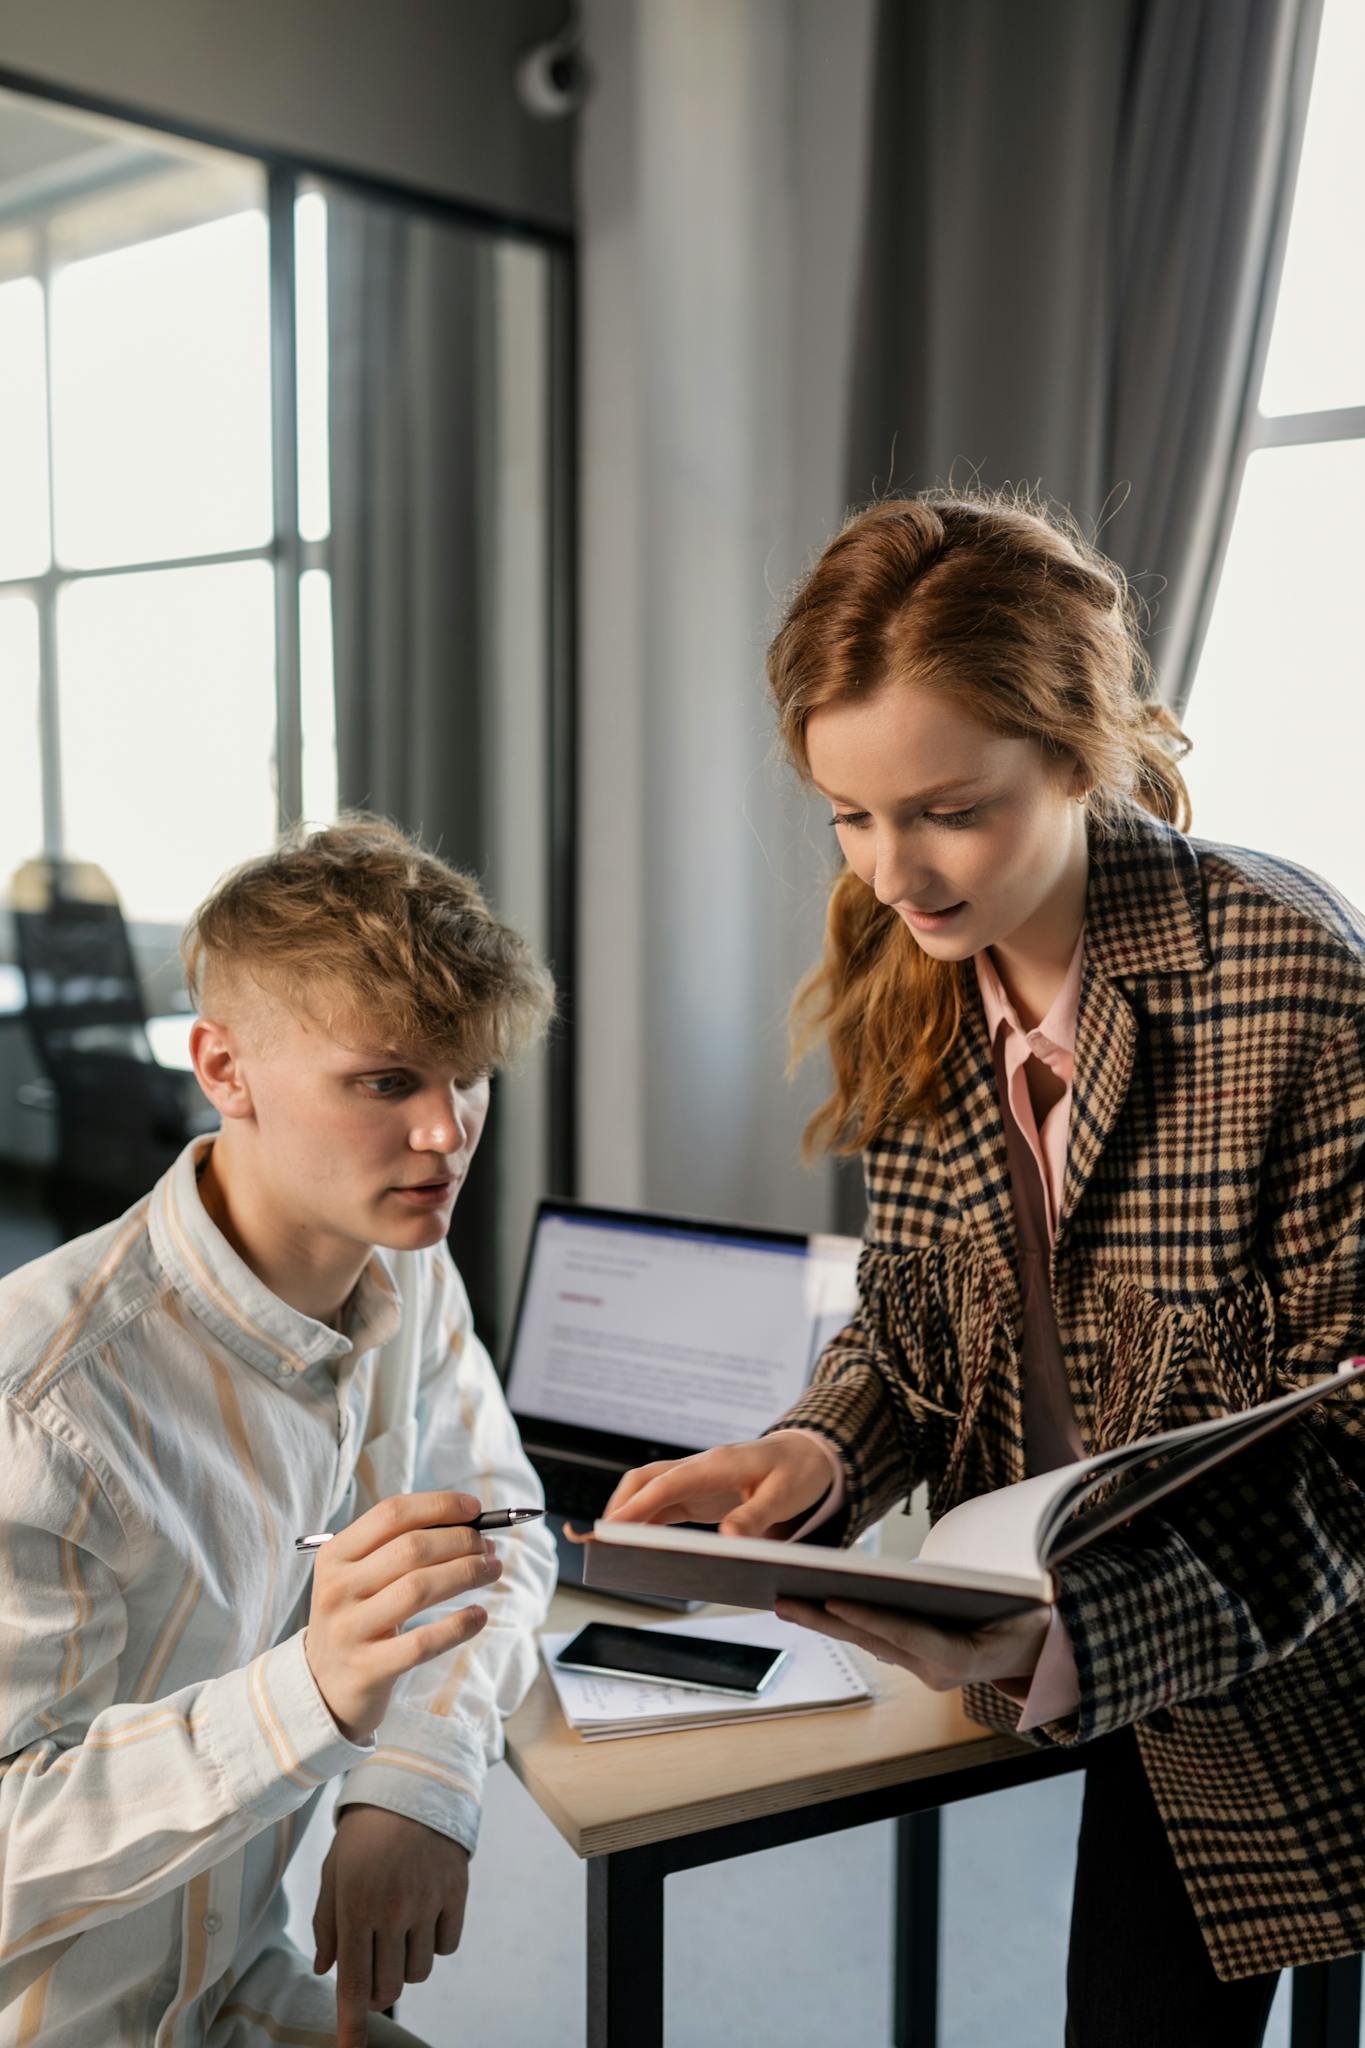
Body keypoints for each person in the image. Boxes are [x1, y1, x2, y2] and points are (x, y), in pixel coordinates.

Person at [604, 490, 1365, 2046]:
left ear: (1078, 753)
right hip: (1036, 1612)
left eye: (949, 809)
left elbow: (1352, 1460)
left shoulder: (1294, 984)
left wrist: (1076, 1637)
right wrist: (807, 1451)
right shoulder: (920, 964)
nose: (894, 869)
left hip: (1280, 1665)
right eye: (850, 813)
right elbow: (910, 1329)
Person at [0, 817, 559, 2048]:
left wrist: (418, 1772)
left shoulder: (404, 1268)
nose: (448, 1133)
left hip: (224, 1989)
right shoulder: (36, 1399)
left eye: (466, 1074)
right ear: (225, 1067)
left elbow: (504, 1527)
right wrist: (311, 1692)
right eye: (387, 1080)